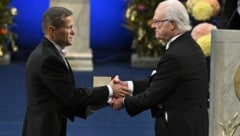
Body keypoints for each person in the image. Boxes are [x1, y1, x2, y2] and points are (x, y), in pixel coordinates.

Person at [22, 7, 129, 136]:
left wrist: (102, 99)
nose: (73, 32)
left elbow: (61, 96)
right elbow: (71, 96)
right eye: (68, 27)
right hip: (44, 130)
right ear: (52, 31)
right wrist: (110, 90)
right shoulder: (48, 58)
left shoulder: (50, 53)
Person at [110, 0, 209, 136]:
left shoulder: (176, 55)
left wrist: (123, 102)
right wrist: (126, 86)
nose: (152, 26)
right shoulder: (187, 45)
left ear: (172, 24)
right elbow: (161, 80)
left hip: (179, 128)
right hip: (191, 125)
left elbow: (151, 96)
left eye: (157, 22)